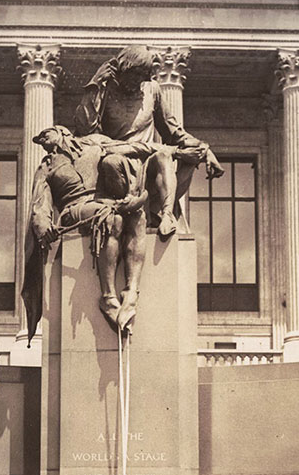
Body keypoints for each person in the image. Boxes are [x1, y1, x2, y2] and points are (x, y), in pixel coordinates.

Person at [74, 45, 224, 239]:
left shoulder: (152, 90)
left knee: (163, 156)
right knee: (111, 163)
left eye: (143, 76)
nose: (138, 81)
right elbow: (85, 130)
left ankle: (167, 216)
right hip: (117, 162)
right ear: (121, 69)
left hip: (148, 164)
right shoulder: (105, 90)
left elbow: (175, 132)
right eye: (135, 75)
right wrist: (95, 85)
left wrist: (205, 150)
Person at [25, 126, 155, 335]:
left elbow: (130, 147)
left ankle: (131, 291)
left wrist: (168, 151)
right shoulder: (46, 166)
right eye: (40, 139)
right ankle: (108, 298)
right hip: (73, 209)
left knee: (135, 218)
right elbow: (40, 203)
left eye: (46, 134)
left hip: (101, 202)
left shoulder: (93, 143)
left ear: (63, 132)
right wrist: (43, 227)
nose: (42, 139)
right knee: (111, 219)